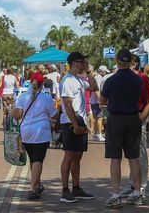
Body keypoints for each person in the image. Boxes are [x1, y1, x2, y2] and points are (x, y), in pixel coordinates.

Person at [100, 48, 143, 208]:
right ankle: (137, 193)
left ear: (117, 61)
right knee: (134, 157)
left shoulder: (111, 80)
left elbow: (102, 101)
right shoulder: (138, 80)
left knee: (115, 158)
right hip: (133, 118)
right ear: (131, 61)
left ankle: (115, 194)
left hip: (116, 119)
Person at [59, 52, 98, 203]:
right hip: (70, 122)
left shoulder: (79, 80)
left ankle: (76, 188)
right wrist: (74, 124)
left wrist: (88, 73)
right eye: (82, 62)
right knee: (69, 156)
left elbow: (94, 87)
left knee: (77, 156)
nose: (84, 64)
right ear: (75, 63)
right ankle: (65, 190)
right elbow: (67, 103)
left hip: (80, 121)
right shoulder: (68, 80)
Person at [12, 72, 58, 200]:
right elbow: (54, 116)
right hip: (41, 132)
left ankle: (37, 184)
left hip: (26, 132)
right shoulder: (46, 98)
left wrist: (12, 108)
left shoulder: (22, 97)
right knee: (38, 160)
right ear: (42, 84)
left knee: (33, 159)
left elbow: (17, 116)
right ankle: (32, 188)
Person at [118, 54, 149, 201]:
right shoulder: (123, 79)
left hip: (138, 118)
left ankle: (141, 186)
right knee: (132, 155)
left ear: (135, 64)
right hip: (127, 119)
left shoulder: (143, 78)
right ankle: (133, 184)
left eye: (129, 63)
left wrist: (141, 118)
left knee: (140, 155)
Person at [91, 66, 110, 142]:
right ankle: (99, 134)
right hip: (96, 101)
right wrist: (100, 101)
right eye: (105, 71)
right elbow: (97, 90)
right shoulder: (98, 78)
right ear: (101, 71)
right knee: (99, 117)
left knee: (97, 118)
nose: (105, 73)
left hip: (95, 101)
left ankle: (96, 134)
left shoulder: (97, 77)